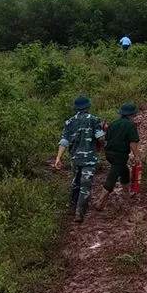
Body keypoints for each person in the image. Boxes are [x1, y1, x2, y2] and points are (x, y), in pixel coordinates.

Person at [54, 94, 106, 222]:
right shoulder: (94, 120)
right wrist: (103, 146)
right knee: (85, 185)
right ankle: (79, 212)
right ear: (88, 106)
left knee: (76, 182)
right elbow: (100, 138)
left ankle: (72, 207)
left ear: (76, 108)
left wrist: (58, 158)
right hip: (89, 158)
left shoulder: (69, 122)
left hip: (75, 158)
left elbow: (64, 141)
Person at [95, 102, 141, 211]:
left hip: (109, 154)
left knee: (124, 172)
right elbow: (133, 142)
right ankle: (100, 202)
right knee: (112, 177)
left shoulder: (114, 123)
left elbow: (106, 139)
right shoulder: (130, 125)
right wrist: (136, 156)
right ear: (131, 115)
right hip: (119, 155)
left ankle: (127, 195)